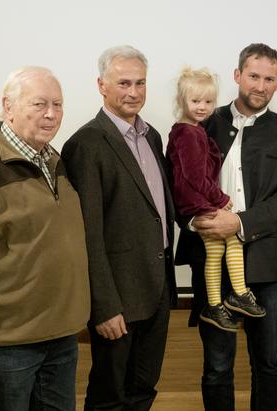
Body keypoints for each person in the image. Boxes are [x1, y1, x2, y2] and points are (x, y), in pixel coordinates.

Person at [174, 43, 277, 411]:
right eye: (254, 76)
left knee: (267, 362)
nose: (260, 85)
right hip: (211, 263)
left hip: (264, 264)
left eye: (269, 79)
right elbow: (178, 182)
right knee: (217, 365)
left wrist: (239, 222)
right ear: (237, 76)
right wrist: (196, 221)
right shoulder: (202, 121)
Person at [62, 45, 177, 410]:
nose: (133, 92)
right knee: (110, 394)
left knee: (144, 387)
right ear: (101, 85)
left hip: (156, 288)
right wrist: (104, 306)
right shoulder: (86, 144)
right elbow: (88, 234)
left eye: (140, 83)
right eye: (123, 82)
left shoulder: (152, 136)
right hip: (119, 297)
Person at [0, 67, 90, 410]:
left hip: (63, 339)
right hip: (6, 346)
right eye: (39, 104)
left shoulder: (56, 161)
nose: (51, 114)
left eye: (58, 104)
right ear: (7, 105)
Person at [167, 67, 265, 333]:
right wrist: (220, 199)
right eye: (195, 101)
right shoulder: (188, 133)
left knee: (218, 249)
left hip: (197, 201)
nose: (202, 107)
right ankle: (234, 295)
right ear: (181, 101)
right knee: (229, 239)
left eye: (209, 102)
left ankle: (222, 300)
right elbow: (195, 177)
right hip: (197, 203)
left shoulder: (193, 130)